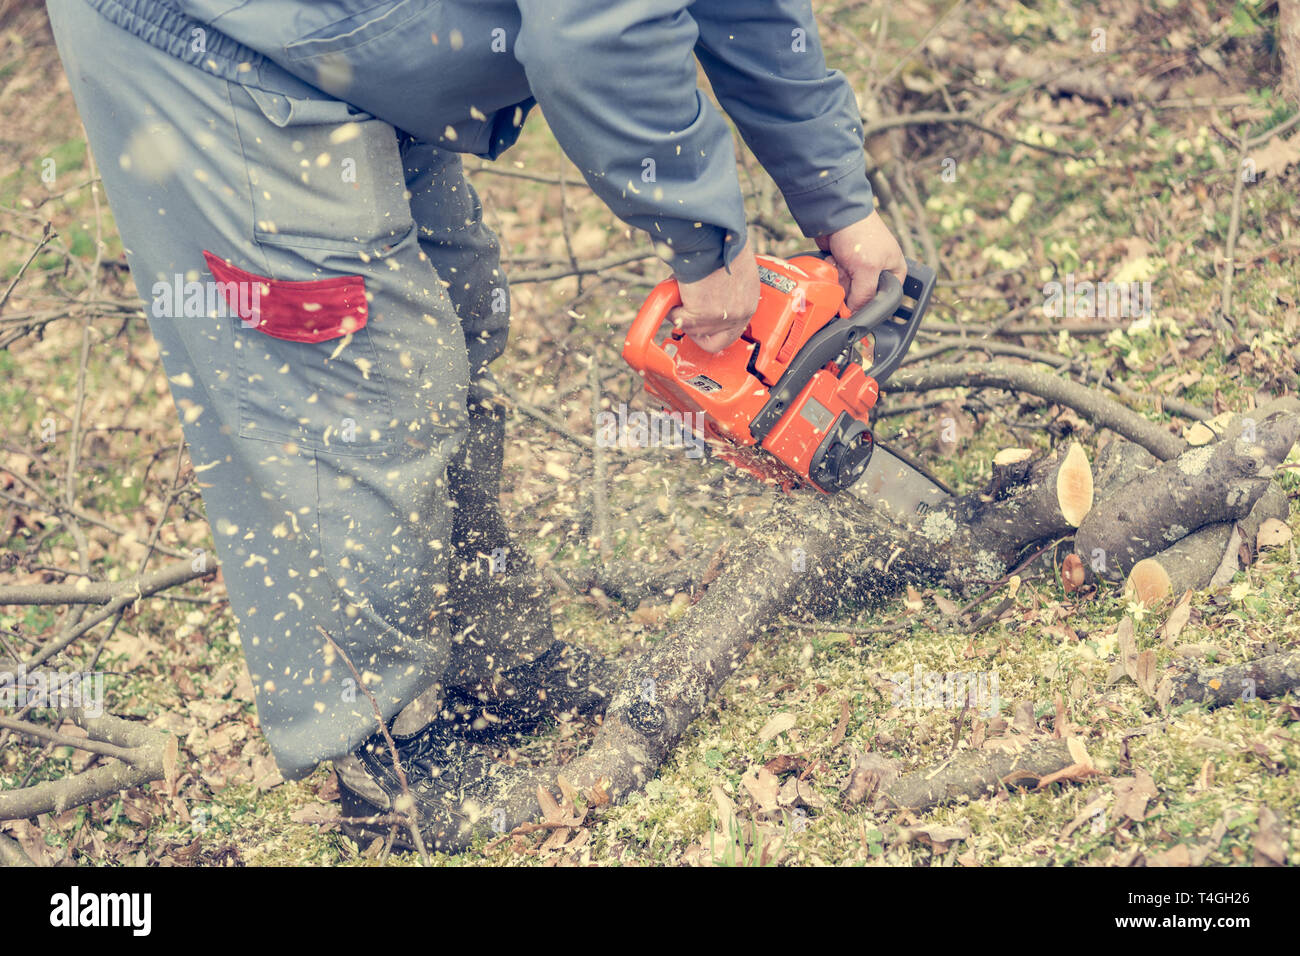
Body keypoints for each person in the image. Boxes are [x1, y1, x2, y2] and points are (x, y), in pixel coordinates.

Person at [45, 0, 907, 851]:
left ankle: (490, 659)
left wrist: (834, 194)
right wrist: (707, 240)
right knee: (361, 375)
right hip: (206, 39)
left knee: (458, 308)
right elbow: (598, 26)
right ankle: (384, 748)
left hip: (347, 41)